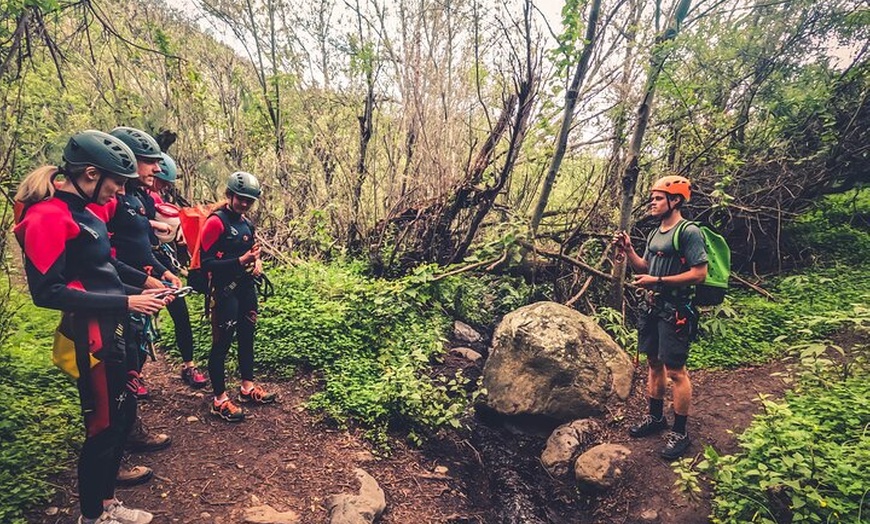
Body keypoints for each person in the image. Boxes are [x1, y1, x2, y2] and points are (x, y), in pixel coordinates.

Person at [13, 130, 170, 524]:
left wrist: (147, 283)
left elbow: (105, 265)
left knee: (123, 411)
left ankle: (107, 503)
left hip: (113, 325)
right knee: (101, 423)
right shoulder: (48, 215)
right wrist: (126, 301)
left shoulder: (87, 214)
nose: (118, 192)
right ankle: (91, 515)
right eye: (115, 182)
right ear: (88, 173)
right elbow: (47, 292)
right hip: (90, 335)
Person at [87, 127, 173, 469]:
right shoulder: (107, 201)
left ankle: (129, 432)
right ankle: (114, 454)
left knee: (132, 365)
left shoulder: (134, 199)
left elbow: (135, 244)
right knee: (117, 376)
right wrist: (139, 285)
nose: (156, 169)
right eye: (149, 163)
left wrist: (158, 271)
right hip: (114, 297)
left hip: (133, 290)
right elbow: (104, 256)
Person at [613, 175, 708, 460]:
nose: (652, 203)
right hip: (652, 308)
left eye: (658, 198)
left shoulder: (688, 232)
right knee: (653, 364)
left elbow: (699, 273)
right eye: (652, 198)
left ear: (675, 200)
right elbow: (645, 266)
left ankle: (680, 432)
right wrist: (629, 250)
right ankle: (656, 418)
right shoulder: (655, 233)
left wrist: (659, 280)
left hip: (676, 311)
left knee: (676, 372)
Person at [201, 171, 276, 422]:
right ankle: (219, 400)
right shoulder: (216, 222)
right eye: (241, 198)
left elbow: (252, 250)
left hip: (246, 288)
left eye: (249, 200)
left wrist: (257, 262)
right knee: (222, 344)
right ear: (230, 195)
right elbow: (206, 263)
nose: (244, 204)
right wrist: (240, 260)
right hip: (224, 292)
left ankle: (247, 388)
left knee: (247, 337)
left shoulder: (246, 223)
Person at [149, 152, 208, 388]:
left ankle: (189, 365)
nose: (163, 187)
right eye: (161, 181)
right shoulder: (132, 198)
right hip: (144, 265)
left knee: (181, 315)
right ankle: (138, 373)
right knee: (141, 319)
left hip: (164, 261)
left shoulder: (156, 198)